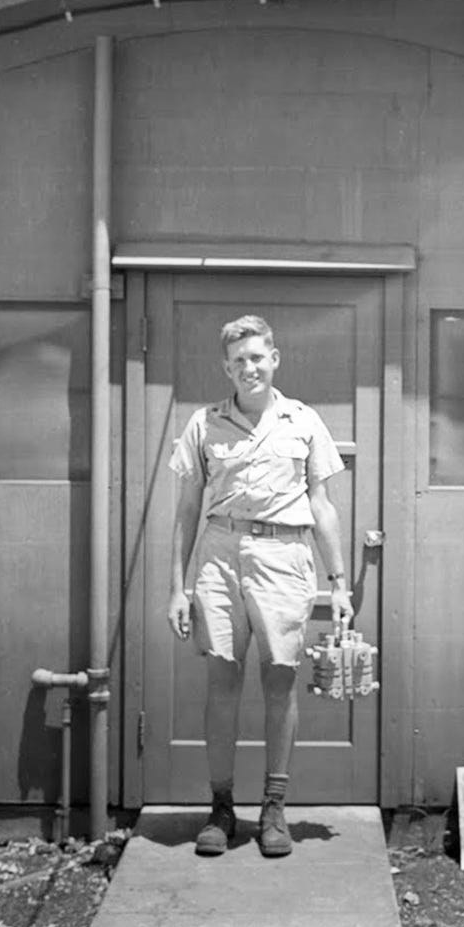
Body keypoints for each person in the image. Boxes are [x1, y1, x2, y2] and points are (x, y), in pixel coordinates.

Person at [167, 314, 354, 858]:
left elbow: (322, 506)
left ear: (275, 359)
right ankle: (221, 808)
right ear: (226, 367)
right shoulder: (204, 424)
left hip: (283, 556)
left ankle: (274, 807)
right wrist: (177, 587)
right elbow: (185, 511)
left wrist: (338, 582)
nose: (248, 368)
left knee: (279, 680)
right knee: (222, 680)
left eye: (257, 357)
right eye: (238, 361)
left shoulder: (303, 421)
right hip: (220, 555)